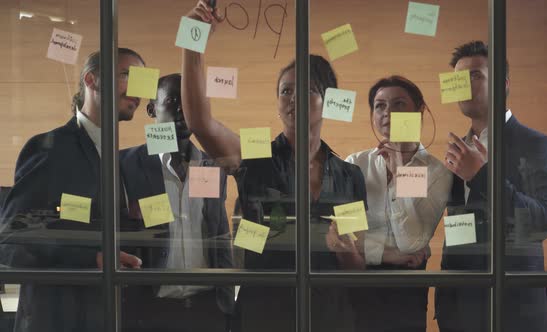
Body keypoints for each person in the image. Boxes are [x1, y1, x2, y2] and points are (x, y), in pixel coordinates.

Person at [180, 2, 367, 331]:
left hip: (330, 316)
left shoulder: (349, 175)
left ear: (330, 100)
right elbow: (201, 122)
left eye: (307, 90)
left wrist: (347, 249)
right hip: (264, 313)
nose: (293, 98)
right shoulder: (255, 156)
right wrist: (193, 40)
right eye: (285, 91)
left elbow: (355, 268)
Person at [0, 49, 145, 331]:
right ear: (91, 80)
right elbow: (11, 243)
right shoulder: (51, 148)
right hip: (58, 318)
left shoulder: (118, 158)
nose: (139, 90)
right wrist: (91, 259)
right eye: (128, 75)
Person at [435, 40, 547, 332]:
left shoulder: (538, 145)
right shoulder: (457, 150)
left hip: (517, 309)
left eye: (475, 75)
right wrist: (445, 299)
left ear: (503, 84)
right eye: (459, 79)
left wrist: (483, 176)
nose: (465, 85)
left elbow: (542, 222)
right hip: (460, 311)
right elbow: (457, 229)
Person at [120, 73, 234, 332]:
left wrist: (227, 304)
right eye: (173, 100)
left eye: (191, 102)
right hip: (148, 311)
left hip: (207, 309)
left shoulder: (213, 165)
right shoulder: (125, 165)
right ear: (151, 109)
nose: (183, 109)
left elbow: (220, 234)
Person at [345, 75, 453, 332]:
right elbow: (346, 237)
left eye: (399, 104)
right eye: (379, 105)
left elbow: (412, 242)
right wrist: (389, 255)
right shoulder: (355, 165)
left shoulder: (439, 173)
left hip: (406, 292)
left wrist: (402, 168)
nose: (388, 112)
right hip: (356, 282)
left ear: (420, 111)